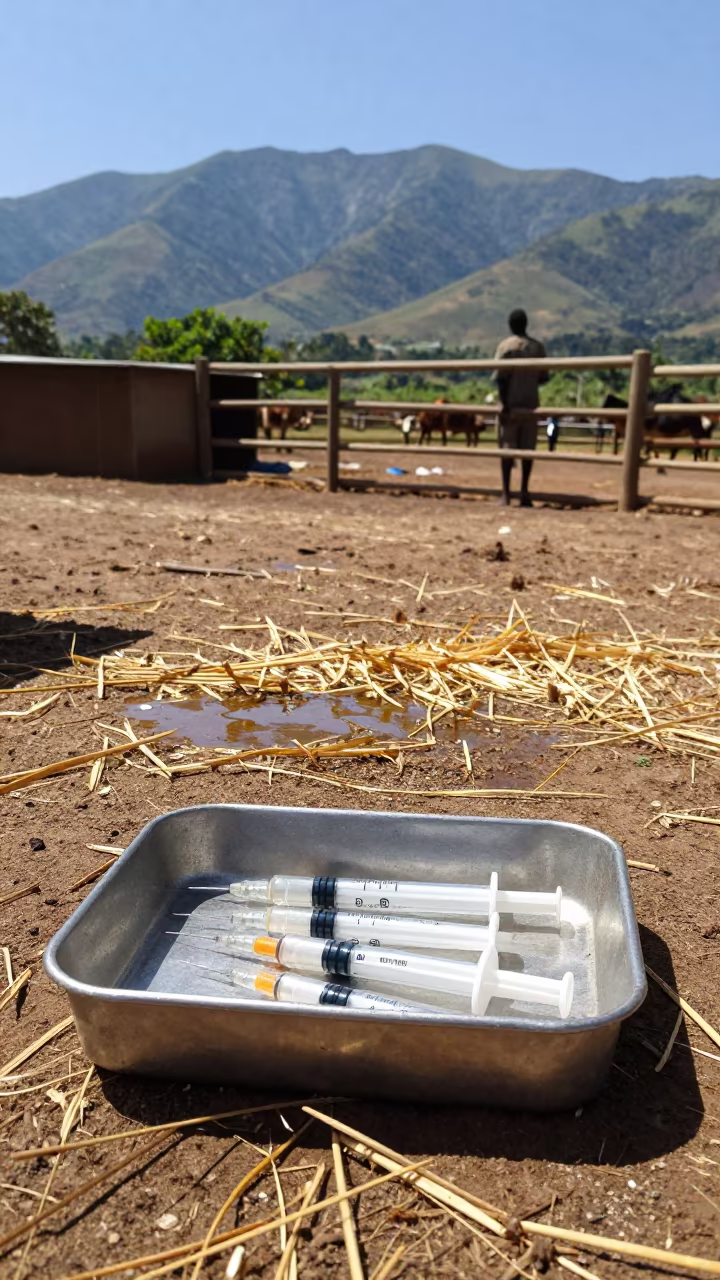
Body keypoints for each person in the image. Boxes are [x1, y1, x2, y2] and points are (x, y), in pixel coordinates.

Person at [494, 309, 548, 506]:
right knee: (528, 450)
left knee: (506, 450)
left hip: (510, 404)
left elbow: (500, 378)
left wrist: (504, 404)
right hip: (531, 404)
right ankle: (524, 492)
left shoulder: (505, 347)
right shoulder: (537, 347)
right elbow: (544, 377)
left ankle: (506, 493)